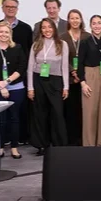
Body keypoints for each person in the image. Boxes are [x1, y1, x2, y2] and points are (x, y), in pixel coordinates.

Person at [27, 18, 69, 155]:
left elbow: (64, 67)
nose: (47, 30)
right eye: (44, 28)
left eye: (49, 27)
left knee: (57, 113)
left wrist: (66, 87)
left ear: (54, 28)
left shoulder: (62, 44)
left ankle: (58, 144)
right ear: (41, 30)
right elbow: (30, 68)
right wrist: (30, 88)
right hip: (38, 80)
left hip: (56, 82)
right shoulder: (36, 45)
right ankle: (42, 145)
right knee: (40, 113)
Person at [0, 22, 27, 159]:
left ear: (10, 34)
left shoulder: (17, 48)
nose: (3, 35)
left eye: (6, 32)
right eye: (1, 32)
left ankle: (14, 147)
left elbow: (22, 67)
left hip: (15, 87)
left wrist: (7, 82)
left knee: (14, 118)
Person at [77, 15, 101, 147]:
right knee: (90, 112)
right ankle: (89, 144)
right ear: (90, 25)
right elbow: (79, 63)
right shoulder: (85, 42)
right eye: (94, 23)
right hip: (90, 75)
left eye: (99, 23)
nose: (97, 26)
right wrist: (83, 83)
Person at [60, 9, 90, 146]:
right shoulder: (63, 37)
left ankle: (83, 138)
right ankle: (72, 140)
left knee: (84, 111)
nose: (75, 20)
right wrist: (73, 71)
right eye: (72, 18)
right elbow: (61, 58)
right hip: (70, 80)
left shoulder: (87, 36)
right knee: (71, 111)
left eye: (77, 18)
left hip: (85, 79)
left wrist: (80, 73)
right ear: (68, 20)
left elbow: (90, 57)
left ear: (81, 20)